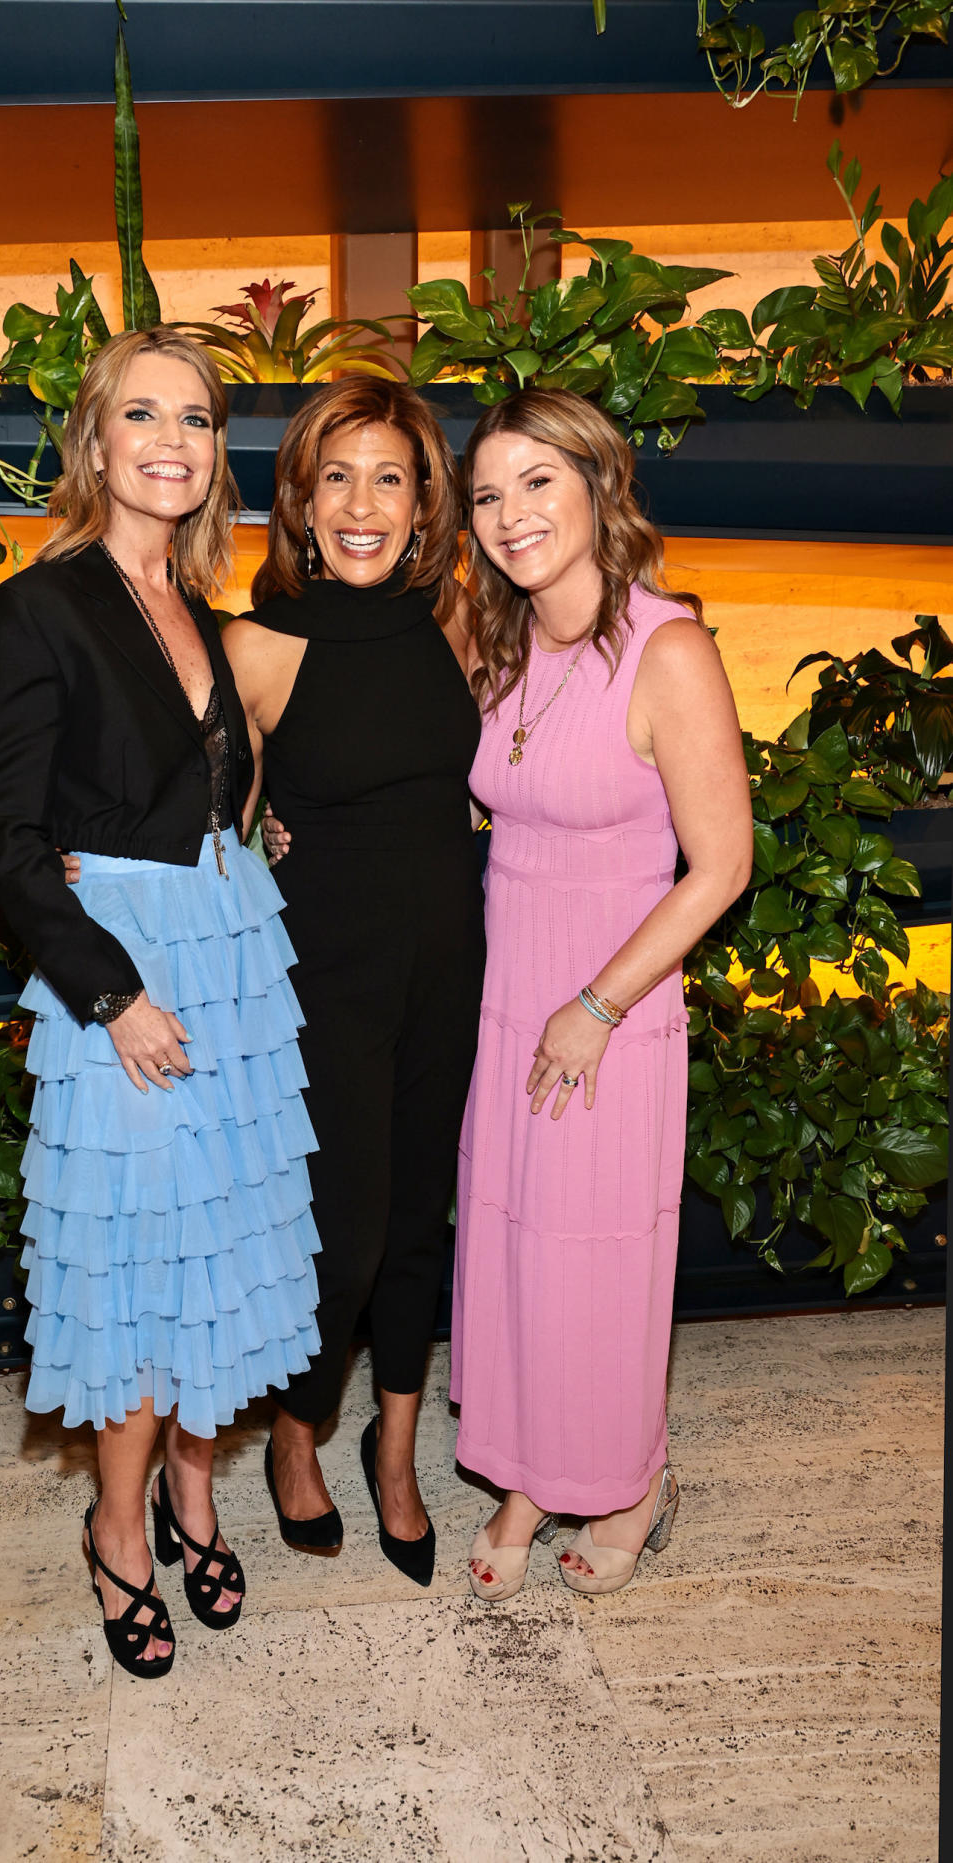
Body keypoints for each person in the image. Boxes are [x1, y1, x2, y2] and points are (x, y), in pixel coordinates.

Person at [0, 328, 321, 1678]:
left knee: (218, 1247)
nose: (168, 439)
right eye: (140, 414)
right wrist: (111, 993)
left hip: (227, 951)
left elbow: (186, 779)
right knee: (130, 1265)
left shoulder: (188, 598)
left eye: (192, 416)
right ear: (95, 441)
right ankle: (118, 1530)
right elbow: (1, 834)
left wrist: (248, 833)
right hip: (123, 974)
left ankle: (191, 1490)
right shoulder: (36, 606)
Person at [453, 387, 753, 1599]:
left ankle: (630, 1478)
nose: (512, 514)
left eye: (538, 482)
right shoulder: (493, 637)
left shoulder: (667, 647)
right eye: (487, 493)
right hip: (509, 988)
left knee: (593, 1257)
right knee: (518, 1244)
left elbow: (723, 864)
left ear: (597, 485)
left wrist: (599, 1003)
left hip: (610, 1002)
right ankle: (534, 1467)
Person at [229, 377, 485, 1585]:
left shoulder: (461, 622)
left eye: (391, 476)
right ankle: (296, 1437)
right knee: (346, 1234)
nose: (363, 503)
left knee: (420, 1217)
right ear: (301, 499)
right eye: (338, 477)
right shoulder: (262, 645)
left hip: (451, 963)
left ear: (427, 499)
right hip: (325, 978)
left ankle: (394, 1454)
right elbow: (201, 825)